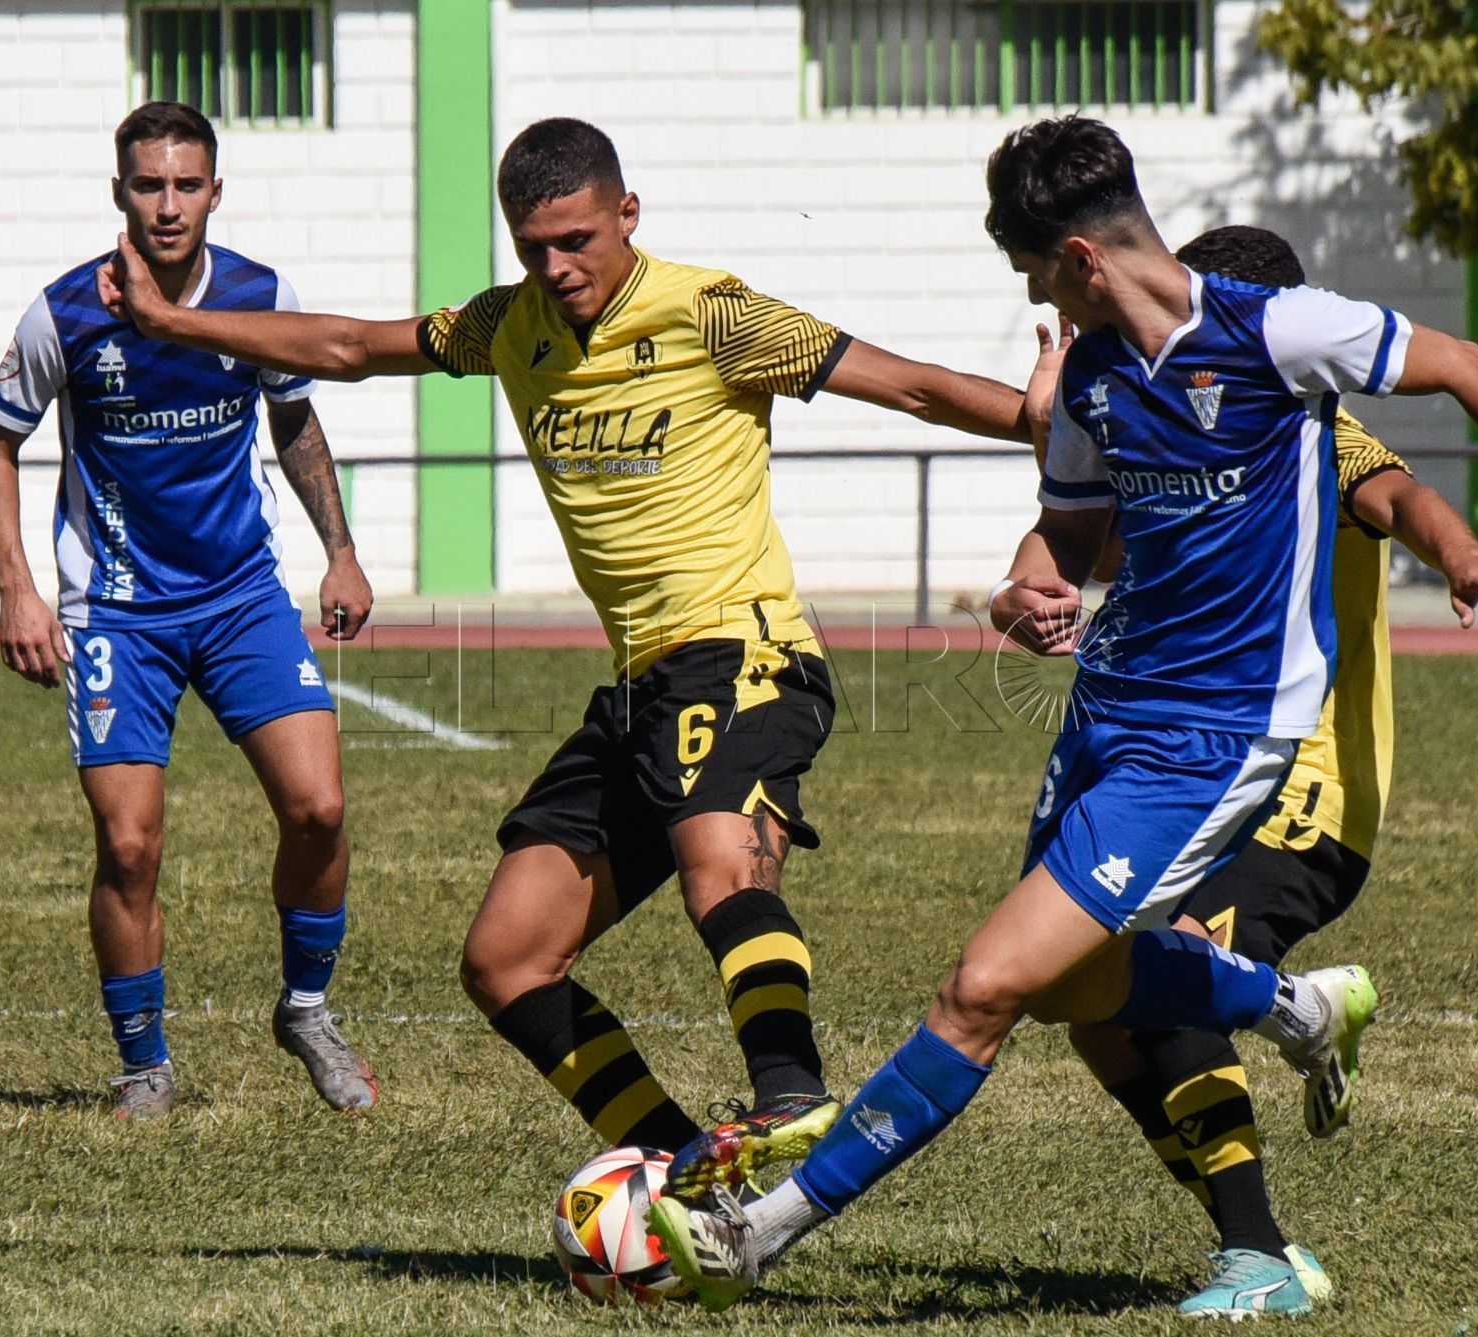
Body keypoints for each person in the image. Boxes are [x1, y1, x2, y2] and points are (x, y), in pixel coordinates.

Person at [648, 116, 1478, 1311]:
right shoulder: (1095, 379)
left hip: (1217, 735)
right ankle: (1294, 1007)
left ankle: (761, 1234)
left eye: (1029, 269)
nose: (1031, 296)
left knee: (984, 987)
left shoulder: (1277, 329)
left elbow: (1461, 363)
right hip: (1106, 711)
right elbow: (1065, 534)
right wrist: (1029, 587)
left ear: (1080, 256)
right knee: (1069, 990)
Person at [98, 116, 1037, 1190]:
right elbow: (349, 349)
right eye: (534, 246)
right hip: (641, 684)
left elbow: (905, 384)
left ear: (627, 214)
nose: (558, 268)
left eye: (579, 240)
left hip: (745, 649)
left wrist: (1040, 420)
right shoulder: (510, 326)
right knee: (505, 958)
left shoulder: (712, 314)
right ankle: (691, 1167)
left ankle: (792, 1093)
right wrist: (175, 324)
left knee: (716, 857)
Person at [993, 223, 1478, 1318]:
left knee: (1168, 970)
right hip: (1186, 759)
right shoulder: (1168, 410)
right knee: (1088, 1007)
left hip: (1300, 791)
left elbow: (1399, 498)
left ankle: (1258, 1247)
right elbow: (1111, 547)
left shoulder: (1317, 425)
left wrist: (1457, 552)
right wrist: (1051, 432)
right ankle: (1270, 1171)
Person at [0, 101, 378, 1121]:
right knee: (130, 844)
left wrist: (341, 551)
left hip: (242, 599)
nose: (167, 204)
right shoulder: (65, 312)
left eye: (186, 184)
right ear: (120, 192)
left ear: (214, 192)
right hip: (116, 614)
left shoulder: (256, 296)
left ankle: (307, 1008)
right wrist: (18, 585)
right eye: (148, 185)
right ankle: (145, 1066)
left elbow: (297, 420)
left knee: (320, 808)